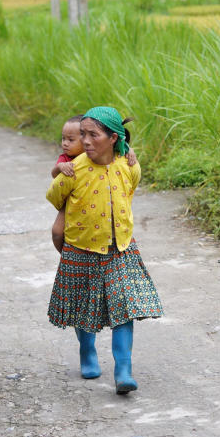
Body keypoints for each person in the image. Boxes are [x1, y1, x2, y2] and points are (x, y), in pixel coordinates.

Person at [45, 106, 163, 394]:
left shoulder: (128, 166)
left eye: (92, 135)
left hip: (120, 249)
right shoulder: (73, 171)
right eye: (82, 134)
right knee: (84, 309)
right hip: (81, 249)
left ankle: (124, 370)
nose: (84, 141)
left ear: (113, 138)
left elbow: (131, 188)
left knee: (124, 310)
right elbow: (54, 196)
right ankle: (87, 351)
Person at [50, 114, 137, 253]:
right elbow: (55, 185)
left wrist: (129, 150)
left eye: (71, 139)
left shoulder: (104, 151)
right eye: (63, 138)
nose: (65, 143)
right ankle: (67, 256)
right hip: (74, 201)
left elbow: (121, 147)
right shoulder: (68, 160)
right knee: (57, 232)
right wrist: (61, 167)